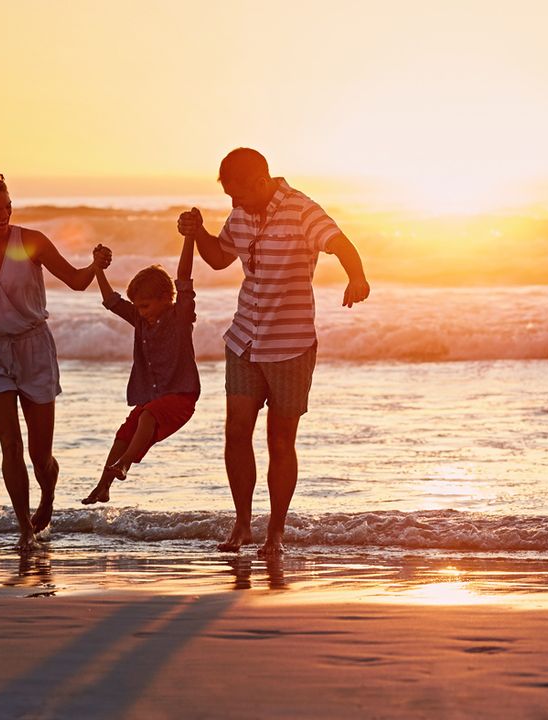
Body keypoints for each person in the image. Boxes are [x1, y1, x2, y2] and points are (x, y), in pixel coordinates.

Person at [177, 148, 370, 557]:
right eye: (229, 196)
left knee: (280, 442)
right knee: (236, 433)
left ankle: (275, 533)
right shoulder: (241, 213)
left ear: (261, 182)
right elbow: (217, 258)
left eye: (239, 194)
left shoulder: (303, 210)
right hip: (244, 338)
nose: (234, 204)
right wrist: (197, 233)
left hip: (291, 344)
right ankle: (243, 525)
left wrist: (357, 277)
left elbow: (340, 243)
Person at [0, 172, 110, 549]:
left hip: (33, 348)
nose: (3, 214)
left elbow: (75, 281)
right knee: (10, 445)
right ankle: (24, 529)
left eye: (7, 206)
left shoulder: (30, 242)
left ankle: (48, 498)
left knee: (40, 455)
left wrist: (96, 265)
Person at [81, 233, 199, 505]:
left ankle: (124, 465)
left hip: (181, 398)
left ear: (166, 298)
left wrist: (189, 238)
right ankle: (102, 486)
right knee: (124, 433)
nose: (141, 312)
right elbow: (111, 300)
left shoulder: (179, 316)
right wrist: (97, 269)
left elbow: (184, 278)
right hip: (154, 399)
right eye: (138, 307)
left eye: (145, 306)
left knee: (147, 415)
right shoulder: (140, 319)